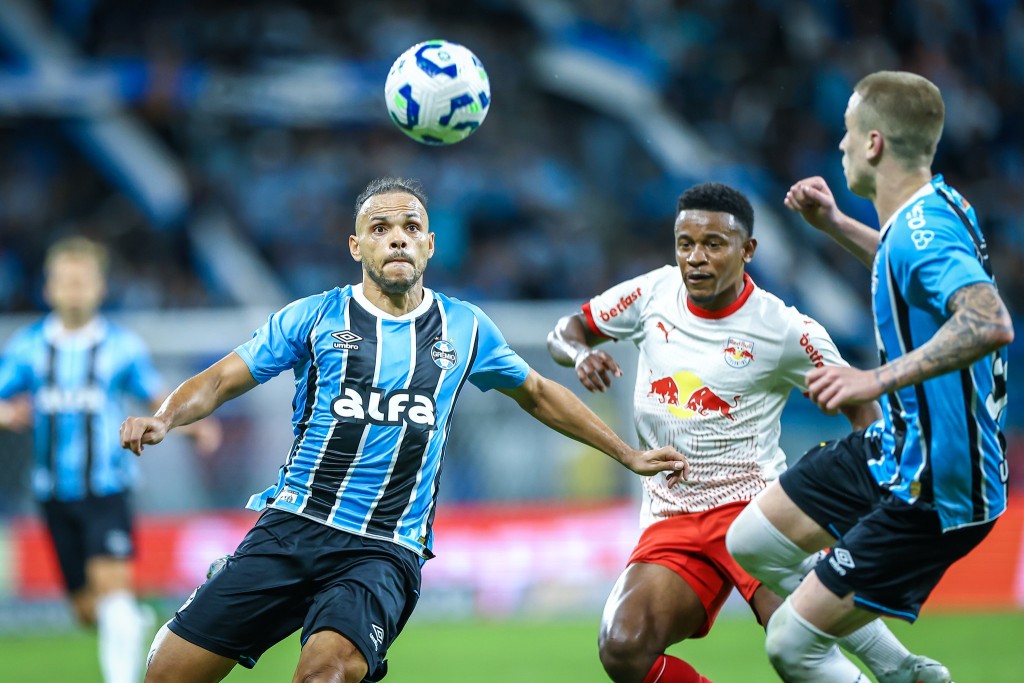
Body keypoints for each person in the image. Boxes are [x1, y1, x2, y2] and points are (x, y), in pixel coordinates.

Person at [120, 177, 689, 683]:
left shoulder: (465, 327)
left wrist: (627, 454)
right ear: (356, 246)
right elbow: (221, 379)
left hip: (383, 549)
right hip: (293, 526)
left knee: (324, 674)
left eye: (411, 227)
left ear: (430, 244)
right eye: (381, 228)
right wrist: (164, 416)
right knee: (167, 673)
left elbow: (538, 393)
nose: (397, 239)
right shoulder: (314, 316)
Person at [547, 181, 946, 683]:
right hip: (671, 515)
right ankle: (903, 670)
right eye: (685, 244)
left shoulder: (785, 329)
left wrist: (869, 503)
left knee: (796, 643)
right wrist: (581, 353)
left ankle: (899, 669)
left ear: (748, 250)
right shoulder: (651, 293)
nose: (695, 257)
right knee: (623, 648)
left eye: (713, 244)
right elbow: (566, 331)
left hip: (754, 512)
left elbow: (864, 412)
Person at [726, 71, 1014, 682]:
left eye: (849, 131)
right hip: (899, 447)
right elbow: (899, 261)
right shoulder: (933, 210)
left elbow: (989, 321)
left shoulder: (923, 231)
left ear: (874, 143)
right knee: (752, 541)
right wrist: (833, 222)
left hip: (941, 482)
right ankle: (901, 671)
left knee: (790, 646)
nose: (841, 144)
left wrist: (875, 381)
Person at [0, 236, 221, 683]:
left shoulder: (122, 347)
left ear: (100, 288)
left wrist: (190, 425)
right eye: (66, 281)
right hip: (52, 491)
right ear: (48, 289)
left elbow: (156, 398)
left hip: (107, 487)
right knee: (87, 611)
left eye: (82, 281)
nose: (74, 290)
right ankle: (129, 621)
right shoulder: (28, 348)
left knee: (113, 589)